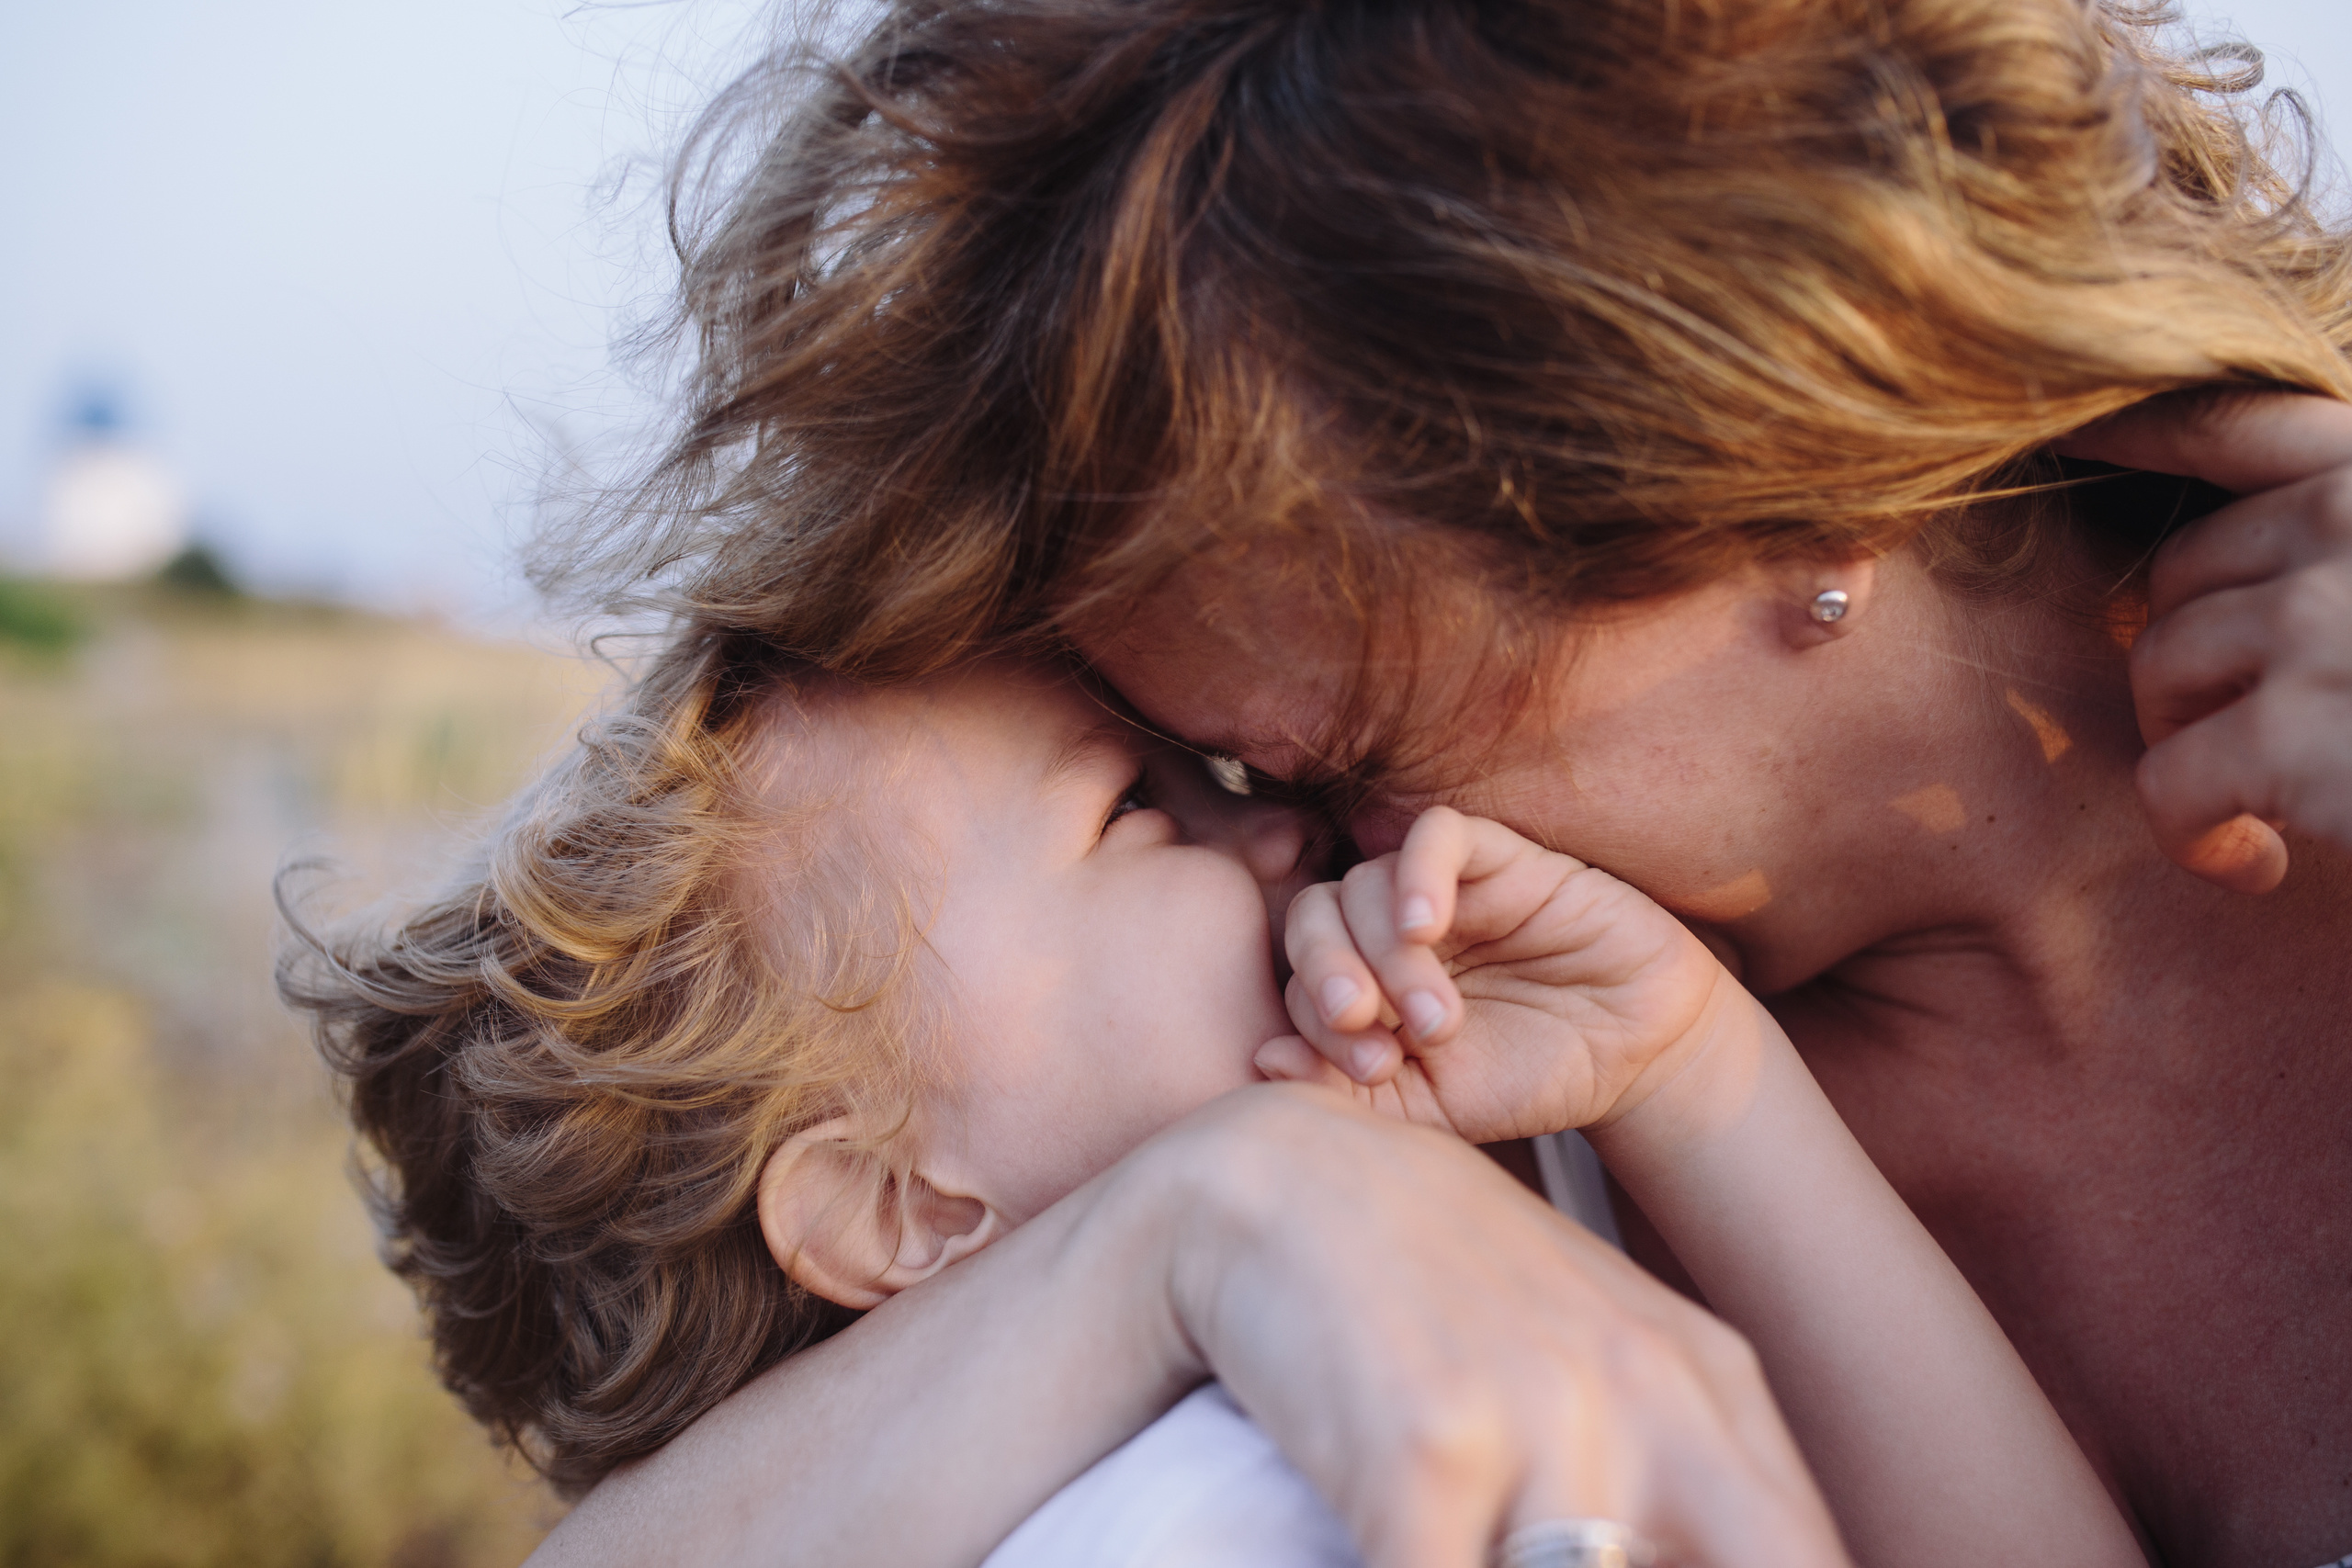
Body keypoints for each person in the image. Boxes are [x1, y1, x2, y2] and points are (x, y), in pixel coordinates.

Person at [522, 1, 2352, 1564]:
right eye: (1200, 769)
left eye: (1343, 753)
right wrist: (1188, 1223)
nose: (1322, 855)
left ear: (1778, 471)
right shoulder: (1476, 1075)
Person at [283, 640, 2137, 1567]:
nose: (1275, 822)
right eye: (1133, 812)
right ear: (897, 1208)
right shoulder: (1194, 1514)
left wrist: (1688, 1062)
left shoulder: (1481, 1174)